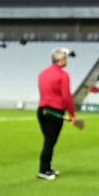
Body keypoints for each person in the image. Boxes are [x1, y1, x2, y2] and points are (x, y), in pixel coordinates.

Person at [36, 46, 75, 179]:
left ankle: (47, 167)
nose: (67, 60)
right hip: (55, 111)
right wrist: (72, 115)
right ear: (62, 59)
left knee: (48, 141)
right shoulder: (63, 75)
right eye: (66, 57)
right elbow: (66, 96)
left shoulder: (43, 73)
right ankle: (43, 170)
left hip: (42, 110)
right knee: (50, 142)